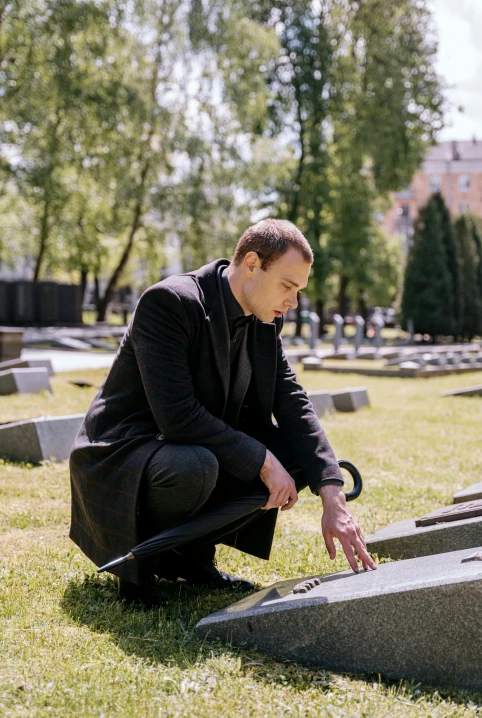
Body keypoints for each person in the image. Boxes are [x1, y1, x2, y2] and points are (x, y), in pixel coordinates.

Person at [69, 219, 376, 605]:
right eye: (287, 286)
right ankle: (137, 570)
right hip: (125, 453)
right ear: (251, 264)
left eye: (298, 290)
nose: (293, 302)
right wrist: (263, 461)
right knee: (196, 467)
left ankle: (192, 562)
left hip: (190, 448)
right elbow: (177, 416)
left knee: (295, 456)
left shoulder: (265, 322)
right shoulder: (170, 302)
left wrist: (334, 498)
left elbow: (293, 401)